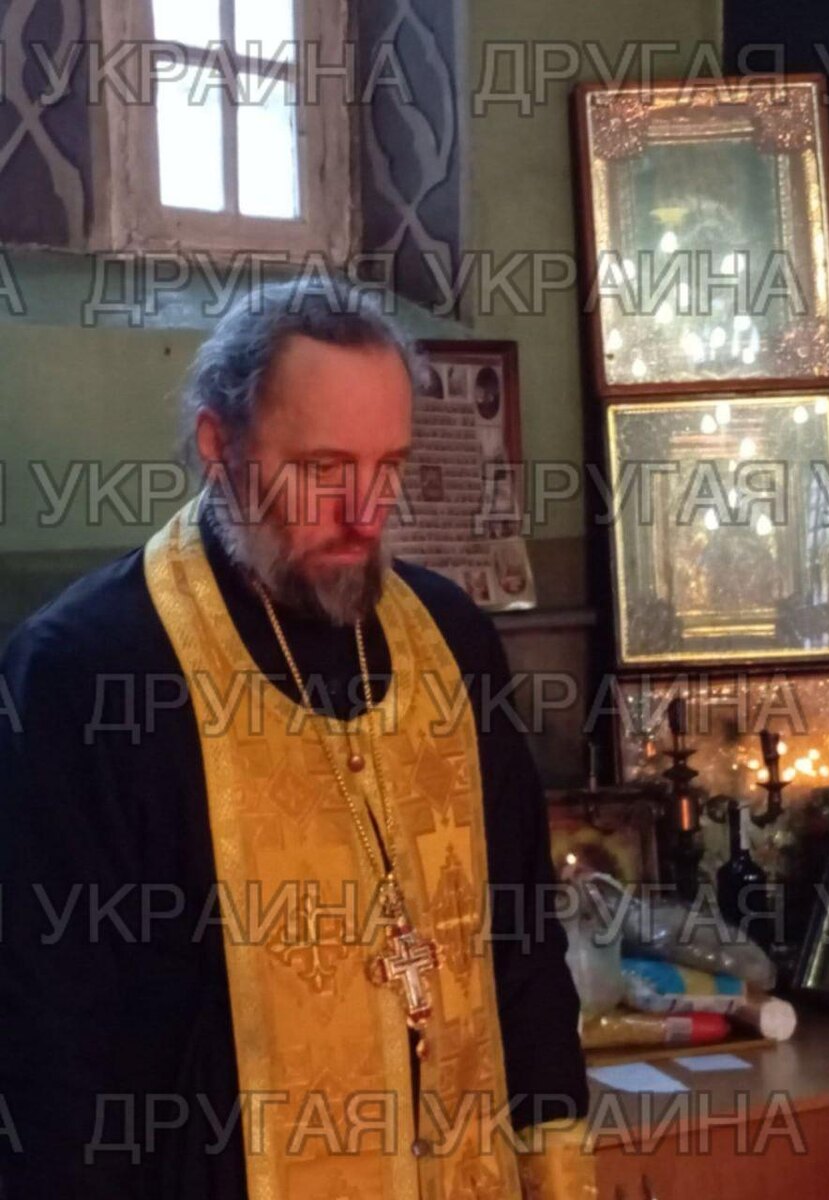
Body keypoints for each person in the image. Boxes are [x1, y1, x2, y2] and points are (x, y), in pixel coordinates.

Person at [0, 278, 597, 1198]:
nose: (365, 513)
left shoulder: (451, 640)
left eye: (389, 466)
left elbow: (523, 944)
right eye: (322, 469)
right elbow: (55, 1047)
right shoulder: (85, 672)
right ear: (219, 445)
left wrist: (556, 1175)